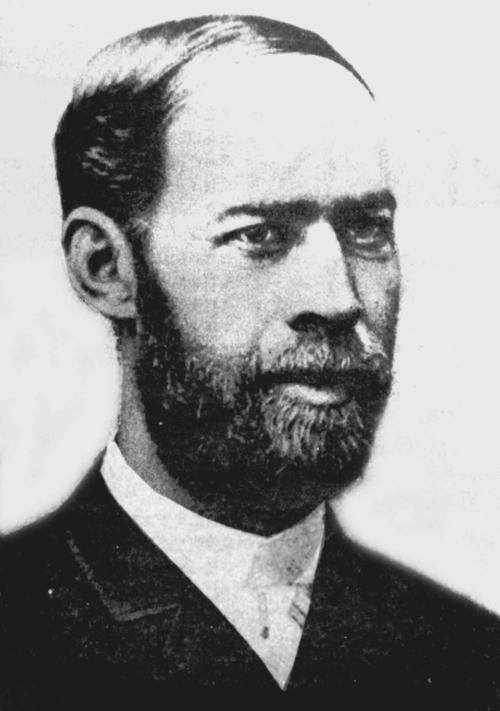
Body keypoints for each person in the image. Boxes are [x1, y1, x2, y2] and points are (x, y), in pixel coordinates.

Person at [1, 14, 499, 708]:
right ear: (106, 268)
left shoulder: (473, 657)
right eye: (261, 235)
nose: (339, 299)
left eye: (367, 230)